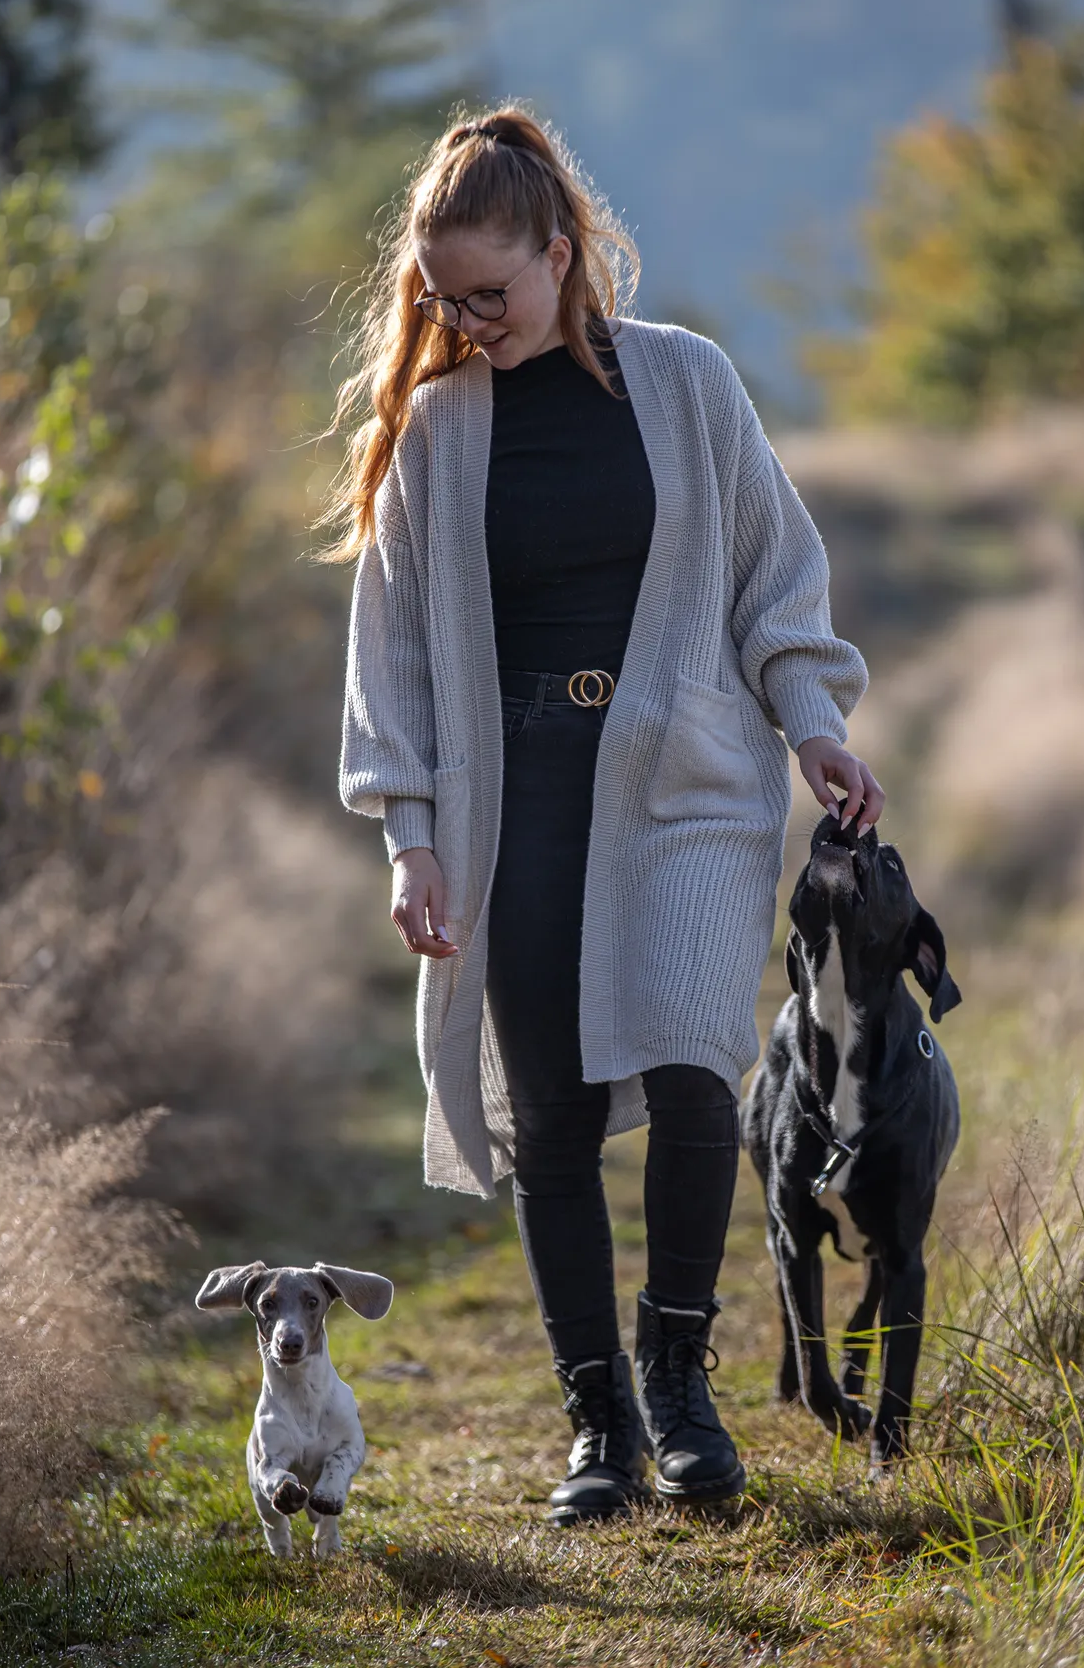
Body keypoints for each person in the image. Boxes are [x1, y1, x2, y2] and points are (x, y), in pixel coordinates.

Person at [325, 107, 883, 1525]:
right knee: (553, 1124)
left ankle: (681, 1380)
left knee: (701, 1077)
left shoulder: (688, 385)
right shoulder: (439, 436)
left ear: (562, 256)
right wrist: (410, 837)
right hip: (513, 797)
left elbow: (773, 578)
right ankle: (599, 1428)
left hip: (688, 784)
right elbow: (385, 654)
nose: (465, 320)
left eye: (490, 295)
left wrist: (814, 727)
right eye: (441, 298)